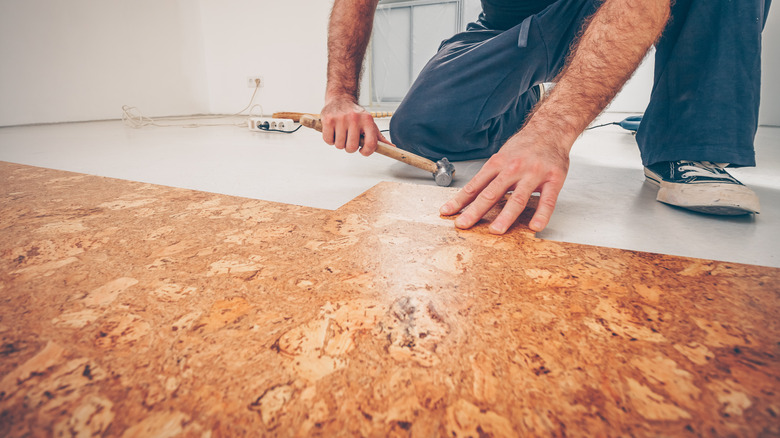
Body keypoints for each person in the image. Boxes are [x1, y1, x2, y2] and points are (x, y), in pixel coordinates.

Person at [320, 0, 771, 234]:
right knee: (420, 126)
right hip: (511, 23)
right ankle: (524, 105)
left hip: (605, 7)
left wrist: (552, 133)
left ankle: (686, 145)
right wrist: (340, 93)